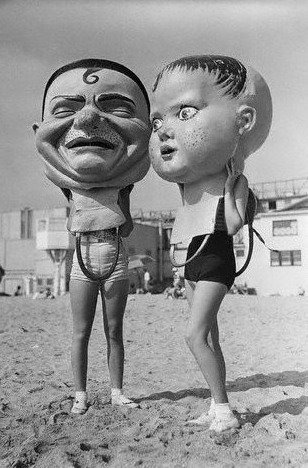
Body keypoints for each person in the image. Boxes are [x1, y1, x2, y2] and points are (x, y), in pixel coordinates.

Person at [149, 55, 272, 432]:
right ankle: (217, 404)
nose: (164, 130)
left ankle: (223, 409)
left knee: (195, 334)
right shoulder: (186, 184)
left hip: (215, 255)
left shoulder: (234, 180)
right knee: (210, 336)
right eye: (157, 122)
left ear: (243, 121)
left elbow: (233, 226)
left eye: (184, 113)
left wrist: (238, 198)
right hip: (188, 258)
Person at [34, 59, 151, 414]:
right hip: (82, 258)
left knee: (114, 330)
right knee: (81, 332)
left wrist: (115, 207)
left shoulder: (125, 185)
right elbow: (61, 173)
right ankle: (81, 395)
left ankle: (116, 391)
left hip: (115, 253)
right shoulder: (70, 189)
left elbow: (127, 223)